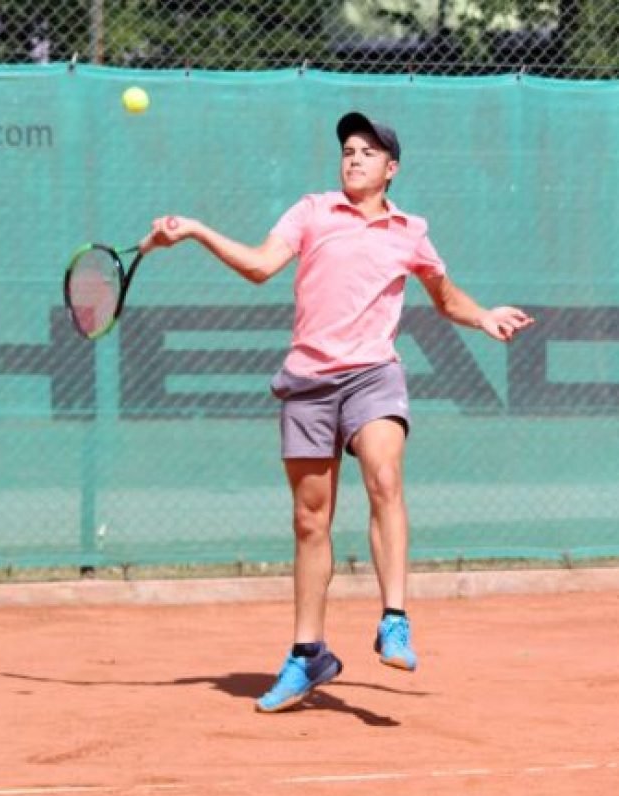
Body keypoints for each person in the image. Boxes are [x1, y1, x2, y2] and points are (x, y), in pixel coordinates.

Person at [142, 111, 535, 713]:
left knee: (385, 474)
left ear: (390, 168)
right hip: (307, 380)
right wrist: (195, 229)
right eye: (348, 150)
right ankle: (308, 655)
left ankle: (395, 619)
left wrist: (482, 316)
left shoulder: (410, 231)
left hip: (373, 374)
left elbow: (443, 295)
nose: (353, 158)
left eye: (367, 152)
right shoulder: (312, 212)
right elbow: (258, 266)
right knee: (310, 520)